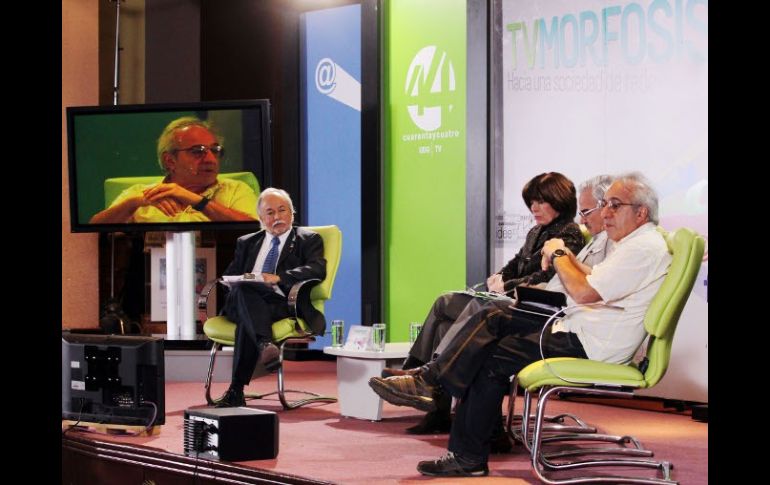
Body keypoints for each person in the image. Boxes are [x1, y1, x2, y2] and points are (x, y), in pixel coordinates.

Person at [369, 172, 672, 477]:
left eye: (614, 205)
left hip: (591, 342)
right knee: (488, 350)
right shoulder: (634, 243)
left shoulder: (642, 248)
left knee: (492, 317)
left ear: (641, 212)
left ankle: (432, 385)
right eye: (604, 204)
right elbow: (591, 279)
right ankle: (464, 449)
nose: (605, 212)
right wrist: (564, 255)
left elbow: (583, 291)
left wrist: (558, 253)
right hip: (581, 329)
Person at [387, 172, 586, 434]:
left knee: (449, 306)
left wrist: (507, 285)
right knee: (445, 317)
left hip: (531, 307)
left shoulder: (569, 234)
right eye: (531, 202)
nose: (534, 208)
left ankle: (420, 375)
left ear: (559, 200)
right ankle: (432, 398)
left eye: (540, 201)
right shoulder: (536, 232)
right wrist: (499, 277)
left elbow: (548, 278)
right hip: (508, 299)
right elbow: (514, 265)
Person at [214, 188, 327, 408]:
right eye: (270, 212)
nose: (277, 217)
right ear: (261, 218)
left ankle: (236, 390)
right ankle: (265, 344)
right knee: (244, 289)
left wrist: (279, 277)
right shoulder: (247, 242)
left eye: (282, 210)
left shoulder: (307, 239)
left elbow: (317, 269)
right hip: (244, 300)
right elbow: (230, 275)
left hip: (281, 303)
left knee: (247, 318)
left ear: (292, 213)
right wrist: (237, 282)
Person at [89, 116, 258, 223]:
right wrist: (133, 203)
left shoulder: (235, 190)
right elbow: (93, 233)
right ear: (170, 161)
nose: (211, 159)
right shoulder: (140, 194)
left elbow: (257, 231)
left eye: (215, 150)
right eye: (197, 151)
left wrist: (195, 200)